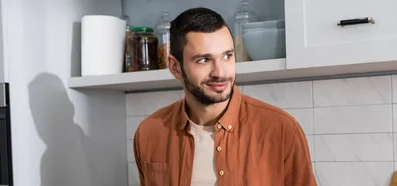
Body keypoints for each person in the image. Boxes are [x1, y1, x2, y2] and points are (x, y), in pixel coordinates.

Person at [133, 7, 317, 186]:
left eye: (227, 56)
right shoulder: (149, 132)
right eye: (204, 60)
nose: (220, 72)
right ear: (175, 67)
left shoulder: (280, 128)